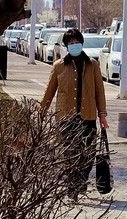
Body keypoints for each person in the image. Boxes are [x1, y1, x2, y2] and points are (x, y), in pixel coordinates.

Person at [40, 28, 109, 195]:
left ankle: (80, 182)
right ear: (66, 46)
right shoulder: (59, 66)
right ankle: (73, 186)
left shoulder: (92, 65)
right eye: (71, 43)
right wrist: (42, 112)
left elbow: (99, 91)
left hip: (88, 116)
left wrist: (102, 115)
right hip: (66, 118)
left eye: (77, 42)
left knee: (88, 153)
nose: (74, 45)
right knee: (70, 153)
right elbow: (49, 91)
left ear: (82, 43)